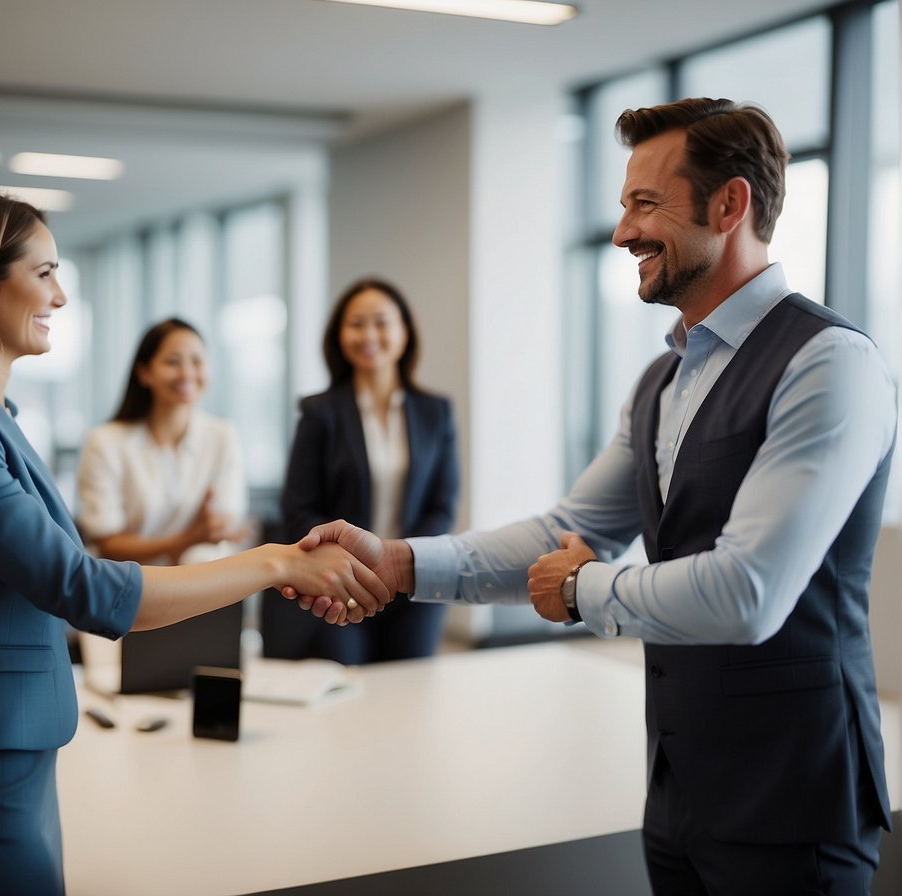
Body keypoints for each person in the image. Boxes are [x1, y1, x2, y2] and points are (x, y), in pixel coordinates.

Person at [292, 98, 897, 894]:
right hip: (678, 789)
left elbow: (747, 592)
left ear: (730, 203)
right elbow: (567, 528)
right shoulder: (664, 378)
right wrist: (400, 564)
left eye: (645, 204)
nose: (622, 233)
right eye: (622, 208)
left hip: (794, 796)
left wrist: (580, 587)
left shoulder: (828, 364)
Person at [0, 188, 389, 896]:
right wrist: (275, 562)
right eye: (44, 272)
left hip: (12, 747)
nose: (62, 295)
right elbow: (80, 586)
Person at [262, 277, 459, 664]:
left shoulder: (436, 411)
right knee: (346, 691)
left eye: (382, 322)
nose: (369, 334)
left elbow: (444, 504)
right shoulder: (319, 412)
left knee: (410, 691)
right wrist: (354, 567)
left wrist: (396, 562)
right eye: (356, 323)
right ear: (339, 336)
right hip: (342, 583)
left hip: (415, 581)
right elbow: (299, 507)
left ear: (404, 333)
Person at [76, 318, 249, 568]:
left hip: (201, 586)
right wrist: (187, 539)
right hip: (127, 586)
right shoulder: (103, 442)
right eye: (173, 362)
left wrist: (220, 529)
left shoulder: (223, 436)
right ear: (144, 373)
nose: (187, 373)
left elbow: (222, 525)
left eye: (197, 361)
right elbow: (107, 543)